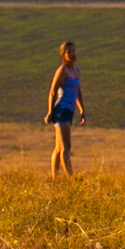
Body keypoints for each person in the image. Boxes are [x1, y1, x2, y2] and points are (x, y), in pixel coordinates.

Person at [46, 40, 88, 178]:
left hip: (70, 111)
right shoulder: (62, 71)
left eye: (73, 50)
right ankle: (71, 179)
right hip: (61, 110)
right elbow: (53, 91)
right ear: (63, 55)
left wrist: (82, 110)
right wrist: (50, 112)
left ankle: (54, 179)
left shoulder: (76, 71)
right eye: (68, 52)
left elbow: (78, 92)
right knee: (66, 147)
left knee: (58, 148)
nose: (72, 54)